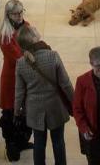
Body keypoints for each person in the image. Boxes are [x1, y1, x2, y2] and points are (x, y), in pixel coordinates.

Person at [14, 24, 75, 165]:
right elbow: (65, 84)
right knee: (58, 143)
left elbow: (19, 92)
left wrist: (17, 112)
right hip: (56, 107)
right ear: (34, 38)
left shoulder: (21, 63)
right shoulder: (53, 56)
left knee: (39, 144)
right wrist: (75, 103)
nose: (36, 28)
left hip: (35, 110)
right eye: (34, 30)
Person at [0, 0, 33, 160]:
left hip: (25, 78)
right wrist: (30, 55)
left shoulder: (26, 26)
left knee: (25, 112)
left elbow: (34, 43)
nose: (19, 16)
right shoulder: (5, 35)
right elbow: (19, 58)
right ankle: (11, 146)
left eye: (21, 12)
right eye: (15, 13)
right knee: (11, 113)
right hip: (11, 79)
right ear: (8, 15)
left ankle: (21, 141)